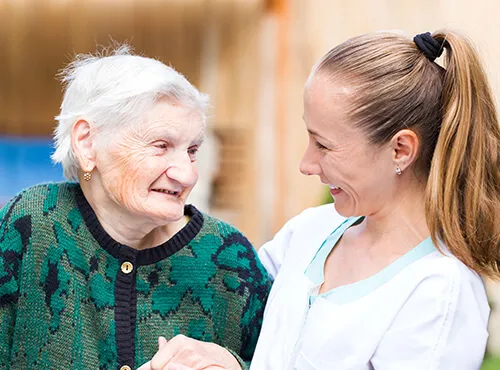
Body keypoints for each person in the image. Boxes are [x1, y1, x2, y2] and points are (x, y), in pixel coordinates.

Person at [145, 30, 500, 370]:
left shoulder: (438, 292)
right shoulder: (310, 231)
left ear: (401, 150)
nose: (306, 164)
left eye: (324, 145)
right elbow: (232, 307)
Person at [0, 46, 271, 370]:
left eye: (193, 150)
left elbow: (285, 359)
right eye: (161, 146)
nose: (186, 174)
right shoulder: (31, 224)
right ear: (87, 143)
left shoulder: (229, 257)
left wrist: (233, 364)